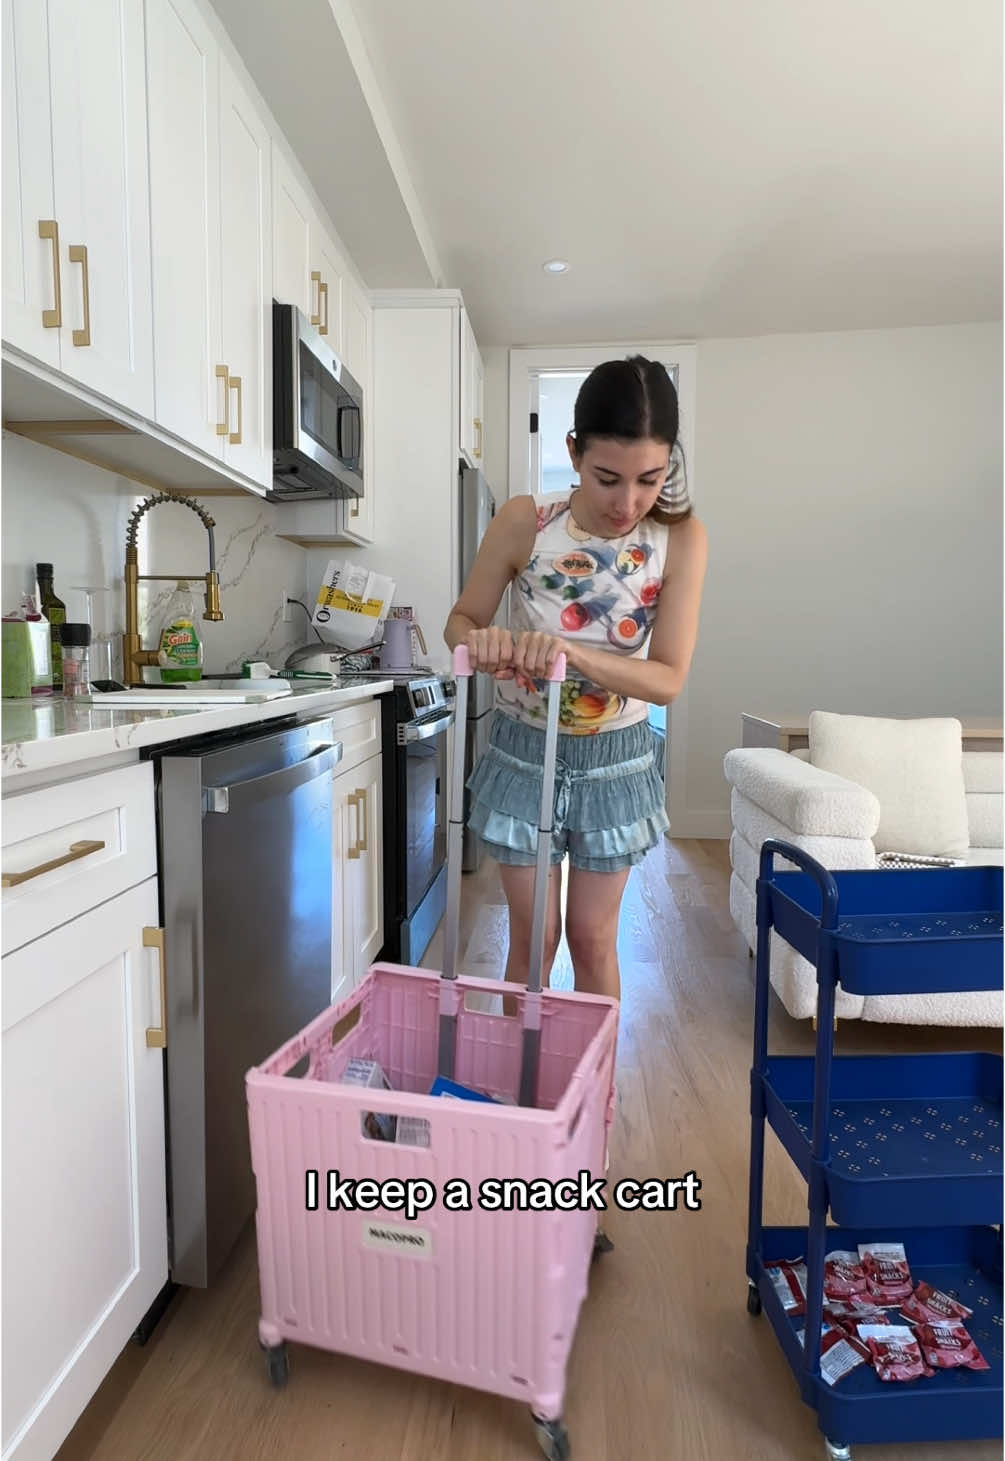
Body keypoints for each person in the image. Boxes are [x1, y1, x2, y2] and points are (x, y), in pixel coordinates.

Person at [444, 355, 707, 1003]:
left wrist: (568, 652)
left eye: (649, 478)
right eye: (606, 477)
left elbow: (667, 679)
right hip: (522, 751)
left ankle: (591, 1102)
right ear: (573, 451)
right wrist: (488, 645)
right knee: (533, 941)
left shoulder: (680, 539)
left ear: (669, 460)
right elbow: (459, 621)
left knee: (592, 938)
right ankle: (524, 1097)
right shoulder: (524, 522)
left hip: (615, 761)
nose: (627, 502)